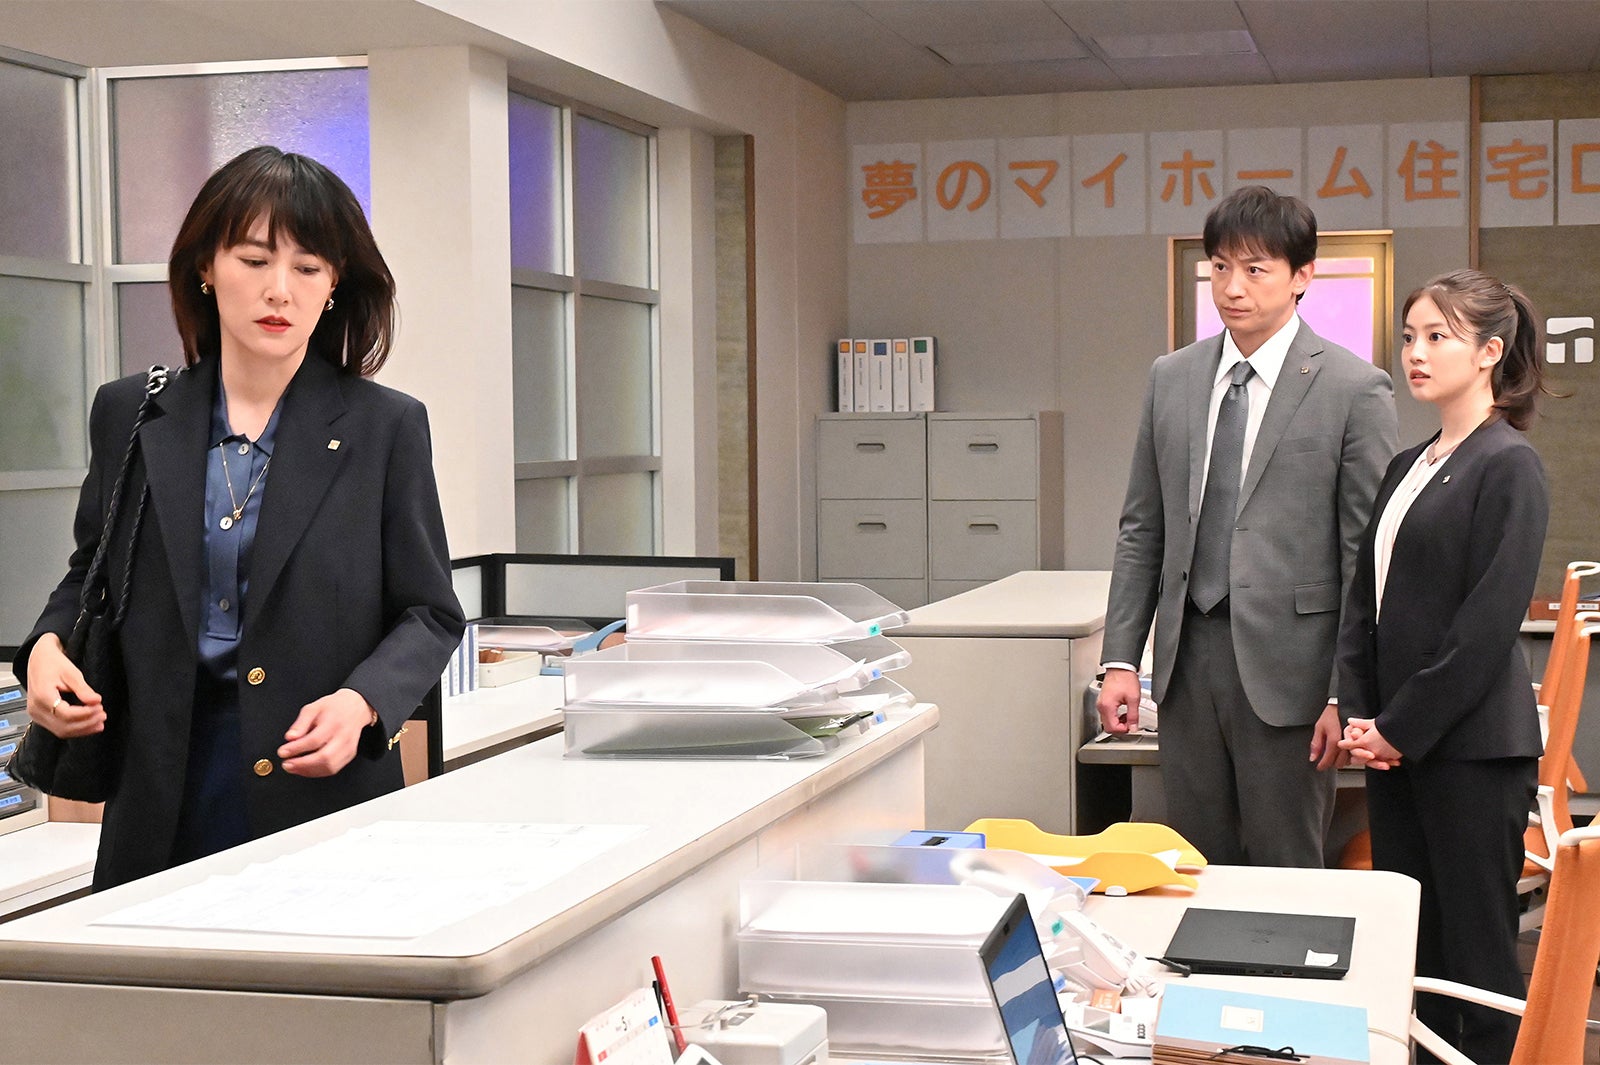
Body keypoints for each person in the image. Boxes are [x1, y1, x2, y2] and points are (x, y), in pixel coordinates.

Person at [16, 146, 465, 890]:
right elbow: (91, 569)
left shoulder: (385, 427)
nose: (278, 290)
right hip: (161, 792)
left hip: (319, 793)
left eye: (308, 267)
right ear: (206, 267)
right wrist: (45, 648)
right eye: (254, 260)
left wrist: (362, 702)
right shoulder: (131, 413)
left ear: (334, 286)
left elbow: (430, 612)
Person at [1096, 185, 1398, 868]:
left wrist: (1343, 690)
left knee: (1286, 865)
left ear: (1302, 276)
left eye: (1256, 269)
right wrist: (1121, 661)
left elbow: (1365, 555)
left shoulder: (1353, 387)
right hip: (1186, 663)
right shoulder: (1172, 378)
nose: (1233, 287)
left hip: (1295, 674)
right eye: (1221, 267)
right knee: (1196, 863)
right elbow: (1143, 528)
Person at [1337, 270, 1550, 1064]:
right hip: (1398, 750)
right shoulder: (1407, 464)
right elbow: (1365, 602)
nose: (1415, 354)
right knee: (1414, 960)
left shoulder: (1510, 463)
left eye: (1437, 337)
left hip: (1470, 753)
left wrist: (1399, 726)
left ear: (1490, 352)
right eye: (1409, 337)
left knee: (1477, 962)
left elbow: (1485, 627)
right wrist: (1360, 714)